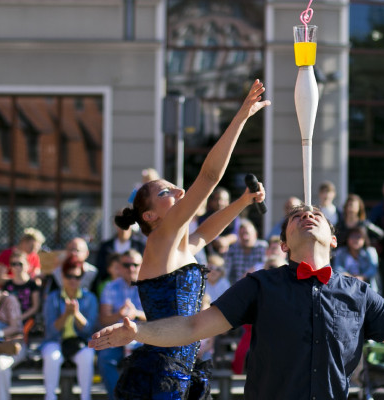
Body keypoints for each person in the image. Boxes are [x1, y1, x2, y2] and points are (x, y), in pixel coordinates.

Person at [90, 205, 384, 400]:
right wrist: (141, 331)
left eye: (317, 215)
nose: (308, 215)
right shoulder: (260, 284)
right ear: (285, 243)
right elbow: (193, 328)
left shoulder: (358, 292)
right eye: (296, 218)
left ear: (333, 237)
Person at [99, 80, 269, 399]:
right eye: (166, 192)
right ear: (150, 216)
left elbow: (205, 233)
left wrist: (243, 202)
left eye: (175, 187)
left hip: (180, 366)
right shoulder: (160, 238)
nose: (179, 192)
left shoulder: (178, 247)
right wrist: (241, 116)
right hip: (164, 369)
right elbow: (208, 177)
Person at [42, 255, 98, 400]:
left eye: (77, 277)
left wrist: (76, 314)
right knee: (51, 357)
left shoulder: (90, 298)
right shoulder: (52, 298)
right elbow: (51, 331)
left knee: (87, 356)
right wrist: (66, 315)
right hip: (56, 342)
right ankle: (50, 397)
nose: (73, 280)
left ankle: (86, 397)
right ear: (62, 276)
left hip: (79, 342)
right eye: (69, 276)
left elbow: (89, 330)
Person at [97, 250, 145, 399]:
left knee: (150, 361)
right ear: (120, 266)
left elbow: (158, 319)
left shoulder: (150, 286)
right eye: (126, 264)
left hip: (144, 337)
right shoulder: (110, 287)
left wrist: (136, 313)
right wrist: (120, 315)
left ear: (141, 265)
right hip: (117, 337)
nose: (131, 268)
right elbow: (104, 319)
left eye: (135, 264)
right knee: (105, 359)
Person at [94, 224, 146, 291]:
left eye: (134, 265)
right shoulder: (108, 287)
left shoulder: (140, 246)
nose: (123, 230)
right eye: (126, 265)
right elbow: (100, 267)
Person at [1, 250, 41, 336]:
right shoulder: (7, 285)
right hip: (9, 319)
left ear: (28, 265)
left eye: (20, 264)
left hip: (27, 318)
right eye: (13, 264)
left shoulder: (32, 284)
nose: (17, 267)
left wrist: (20, 317)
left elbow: (35, 307)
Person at [333, 227, 379, 291]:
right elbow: (337, 268)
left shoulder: (370, 251)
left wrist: (362, 277)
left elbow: (373, 269)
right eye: (352, 237)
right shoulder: (341, 251)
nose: (355, 240)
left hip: (367, 288)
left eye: (358, 237)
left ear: (364, 239)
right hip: (346, 287)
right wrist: (350, 277)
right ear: (347, 238)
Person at [224, 219, 268, 283]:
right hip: (238, 286)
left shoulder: (263, 247)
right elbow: (227, 272)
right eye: (241, 234)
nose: (245, 237)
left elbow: (267, 266)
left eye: (247, 233)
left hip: (259, 285)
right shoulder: (233, 250)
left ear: (255, 235)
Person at [199, 187, 241, 256]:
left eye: (223, 200)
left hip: (231, 255)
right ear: (211, 201)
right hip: (208, 255)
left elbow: (235, 234)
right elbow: (203, 232)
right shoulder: (204, 217)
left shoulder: (233, 217)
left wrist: (226, 240)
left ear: (228, 202)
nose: (220, 203)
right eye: (217, 199)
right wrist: (217, 240)